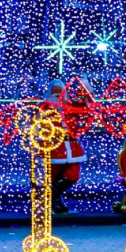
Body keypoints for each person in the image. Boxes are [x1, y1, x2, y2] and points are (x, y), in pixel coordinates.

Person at [40, 79, 86, 213]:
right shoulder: (44, 107)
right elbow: (37, 126)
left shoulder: (70, 106)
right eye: (55, 91)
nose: (57, 94)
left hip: (72, 147)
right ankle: (53, 203)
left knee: (73, 175)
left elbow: (83, 114)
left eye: (60, 91)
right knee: (51, 176)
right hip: (53, 147)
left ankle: (54, 197)